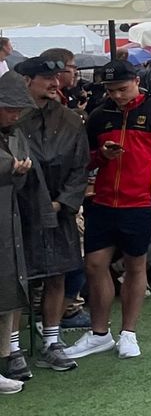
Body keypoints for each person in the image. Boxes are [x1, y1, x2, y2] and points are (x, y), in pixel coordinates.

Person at [66, 60, 151, 360]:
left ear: (136, 80)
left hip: (140, 203)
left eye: (121, 89)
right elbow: (86, 161)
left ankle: (129, 332)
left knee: (135, 265)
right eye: (110, 90)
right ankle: (99, 333)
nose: (116, 96)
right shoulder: (98, 116)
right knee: (94, 265)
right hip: (103, 202)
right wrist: (101, 155)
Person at [13, 58, 89, 373]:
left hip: (60, 211)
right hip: (18, 212)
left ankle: (52, 341)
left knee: (57, 275)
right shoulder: (12, 117)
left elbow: (80, 166)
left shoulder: (70, 119)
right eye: (47, 78)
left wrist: (62, 203)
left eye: (56, 77)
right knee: (18, 281)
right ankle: (12, 347)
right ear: (27, 80)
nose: (55, 83)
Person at [0, 72, 36, 393]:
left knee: (9, 289)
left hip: (8, 221)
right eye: (10, 108)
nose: (16, 114)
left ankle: (8, 353)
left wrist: (17, 171)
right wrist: (11, 167)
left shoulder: (14, 134)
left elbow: (22, 176)